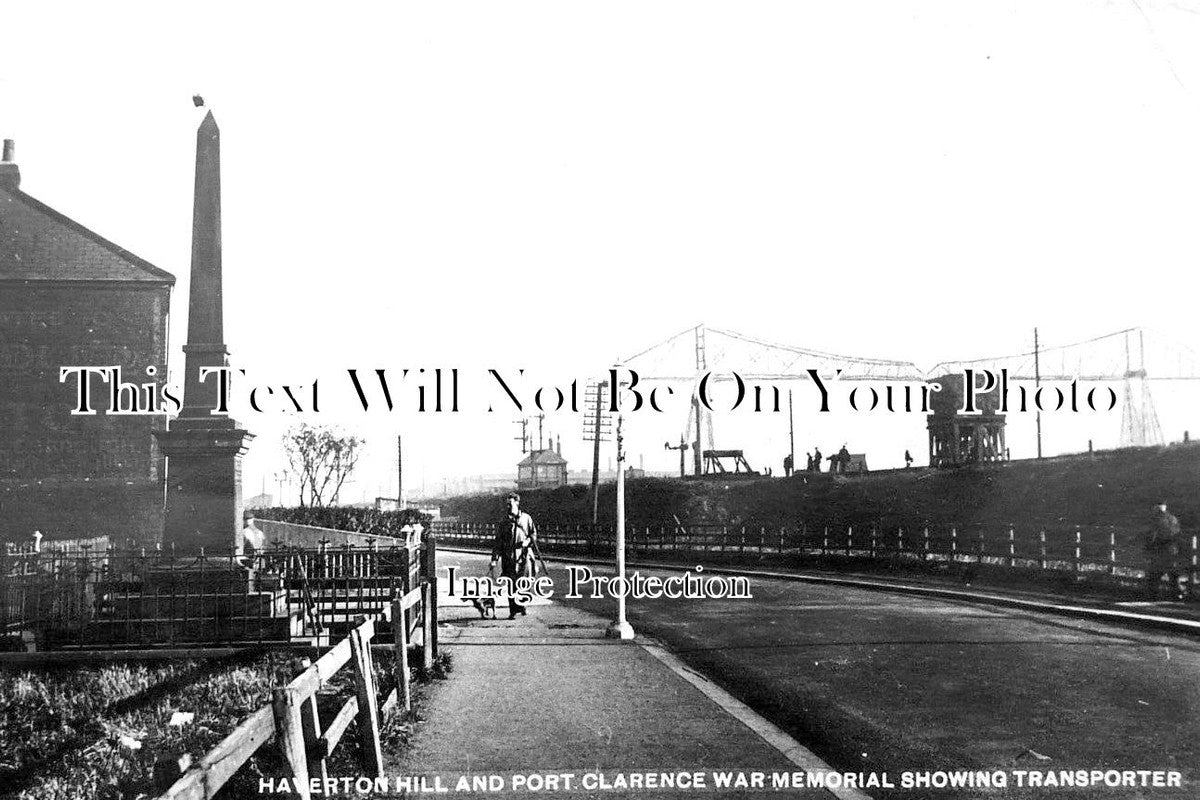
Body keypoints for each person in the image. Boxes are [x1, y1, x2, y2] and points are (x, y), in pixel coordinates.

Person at [491, 491, 538, 618]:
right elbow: (498, 542)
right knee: (511, 584)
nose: (508, 506)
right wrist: (494, 559)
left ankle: (522, 606)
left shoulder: (526, 518)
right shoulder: (504, 522)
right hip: (509, 557)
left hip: (524, 556)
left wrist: (528, 541)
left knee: (523, 582)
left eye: (510, 503)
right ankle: (513, 610)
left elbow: (533, 534)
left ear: (517, 503)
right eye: (506, 504)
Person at [1145, 503, 1182, 600]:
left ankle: (1153, 596)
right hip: (1172, 550)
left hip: (1161, 550)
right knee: (1173, 574)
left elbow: (1153, 535)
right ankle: (1177, 595)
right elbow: (1177, 533)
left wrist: (1149, 547)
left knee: (1155, 574)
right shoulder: (1173, 519)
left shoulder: (1157, 520)